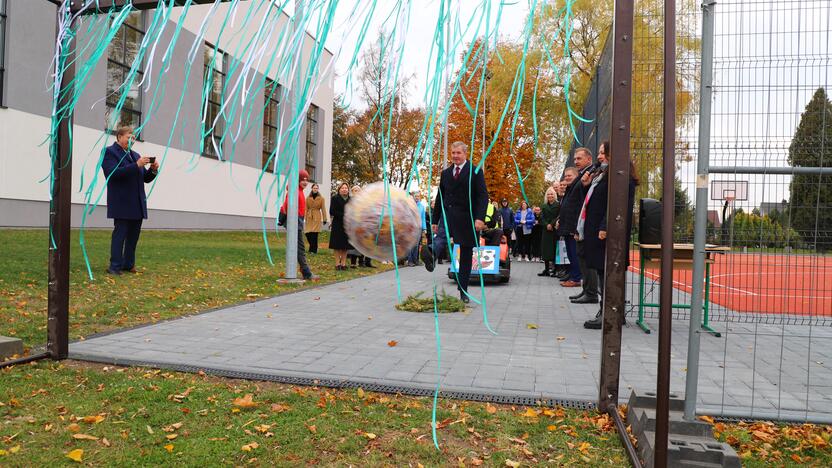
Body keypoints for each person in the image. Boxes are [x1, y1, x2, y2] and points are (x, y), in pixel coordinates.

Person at [581, 141, 638, 329]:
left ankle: (610, 313)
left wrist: (605, 226)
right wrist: (586, 185)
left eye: (602, 152)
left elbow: (615, 204)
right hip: (599, 231)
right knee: (603, 272)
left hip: (608, 234)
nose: (599, 156)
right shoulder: (606, 175)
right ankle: (609, 311)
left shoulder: (621, 178)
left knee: (608, 273)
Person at [426, 141, 488, 304]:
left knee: (466, 255)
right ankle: (431, 255)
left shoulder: (475, 171)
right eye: (453, 153)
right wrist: (435, 218)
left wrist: (480, 218)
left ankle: (463, 290)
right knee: (440, 238)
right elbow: (440, 196)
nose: (455, 156)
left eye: (458, 153)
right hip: (448, 215)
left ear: (465, 153)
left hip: (468, 219)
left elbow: (483, 196)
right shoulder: (446, 173)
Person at [101, 126, 159, 275]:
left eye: (133, 138)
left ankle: (128, 264)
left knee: (133, 237)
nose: (131, 140)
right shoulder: (109, 152)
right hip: (122, 202)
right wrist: (136, 165)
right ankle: (114, 266)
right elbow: (113, 174)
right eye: (128, 137)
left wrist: (152, 170)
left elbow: (144, 178)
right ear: (119, 137)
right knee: (120, 235)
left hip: (137, 203)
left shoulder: (135, 155)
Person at [558, 148, 595, 294]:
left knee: (576, 253)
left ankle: (576, 278)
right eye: (575, 159)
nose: (576, 161)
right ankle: (575, 277)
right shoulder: (578, 179)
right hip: (569, 224)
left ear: (588, 159)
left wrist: (576, 227)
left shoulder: (586, 176)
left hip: (575, 225)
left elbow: (580, 203)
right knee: (572, 253)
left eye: (579, 158)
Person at [280, 169, 317, 280]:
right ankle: (306, 272)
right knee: (300, 247)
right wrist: (291, 220)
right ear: (298, 180)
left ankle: (304, 270)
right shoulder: (295, 190)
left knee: (299, 247)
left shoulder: (299, 190)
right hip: (293, 221)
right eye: (302, 180)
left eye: (307, 180)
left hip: (298, 220)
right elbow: (287, 205)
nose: (305, 182)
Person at [538, 187, 560, 276]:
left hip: (554, 229)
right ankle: (546, 269)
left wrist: (551, 224)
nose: (550, 195)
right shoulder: (543, 206)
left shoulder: (558, 205)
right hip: (546, 230)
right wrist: (546, 224)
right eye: (548, 194)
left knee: (554, 249)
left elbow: (559, 216)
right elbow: (541, 217)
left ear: (554, 195)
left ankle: (555, 270)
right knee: (546, 250)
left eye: (551, 194)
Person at [329, 182, 352, 271]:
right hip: (338, 224)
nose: (344, 189)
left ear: (348, 189)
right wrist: (344, 215)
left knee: (345, 245)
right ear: (339, 189)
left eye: (346, 188)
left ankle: (343, 263)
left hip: (347, 225)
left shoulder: (351, 199)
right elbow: (332, 211)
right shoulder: (335, 198)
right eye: (342, 188)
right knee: (337, 245)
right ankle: (337, 263)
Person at [304, 183, 328, 254]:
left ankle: (312, 250)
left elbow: (323, 208)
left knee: (314, 234)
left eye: (316, 188)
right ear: (312, 189)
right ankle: (314, 247)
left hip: (317, 216)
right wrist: (305, 217)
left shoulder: (321, 198)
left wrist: (325, 218)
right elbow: (306, 208)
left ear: (318, 189)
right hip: (309, 216)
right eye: (314, 188)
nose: (315, 189)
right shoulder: (307, 198)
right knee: (307, 233)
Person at [407, 191, 428, 267]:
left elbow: (423, 218)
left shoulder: (422, 206)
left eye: (418, 196)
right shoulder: (410, 205)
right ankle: (410, 261)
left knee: (416, 245)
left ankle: (416, 260)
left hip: (419, 228)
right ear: (413, 197)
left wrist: (424, 228)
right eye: (415, 196)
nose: (417, 197)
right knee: (411, 245)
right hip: (411, 228)